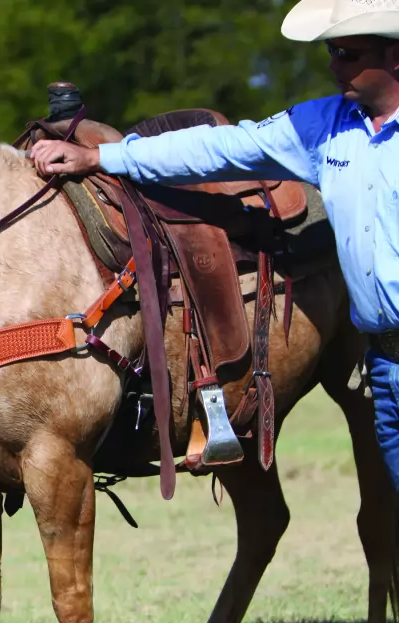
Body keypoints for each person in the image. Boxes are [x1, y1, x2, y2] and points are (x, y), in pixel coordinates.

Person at [29, 0, 399, 492]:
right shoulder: (326, 125)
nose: (334, 66)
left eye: (348, 54)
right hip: (384, 361)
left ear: (394, 57)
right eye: (332, 52)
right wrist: (101, 156)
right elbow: (221, 149)